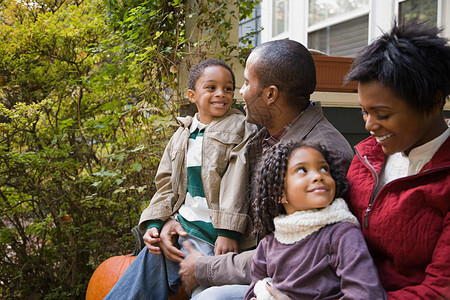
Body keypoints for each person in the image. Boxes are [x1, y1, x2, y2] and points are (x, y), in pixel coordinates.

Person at [176, 40, 355, 299]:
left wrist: (205, 268)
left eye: (247, 83)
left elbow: (289, 252)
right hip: (255, 263)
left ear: (270, 95)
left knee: (208, 297)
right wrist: (169, 220)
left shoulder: (321, 156)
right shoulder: (262, 140)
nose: (241, 93)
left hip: (297, 284)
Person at [104, 58, 258, 299]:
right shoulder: (181, 136)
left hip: (217, 237)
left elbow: (237, 182)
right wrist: (156, 223)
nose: (221, 94)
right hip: (185, 230)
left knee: (205, 292)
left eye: (228, 88)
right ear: (191, 95)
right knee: (147, 263)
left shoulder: (241, 128)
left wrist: (229, 231)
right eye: (211, 87)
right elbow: (166, 185)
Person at [343, 22, 450, 299]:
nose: (369, 125)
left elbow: (439, 291)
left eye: (383, 114)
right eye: (364, 112)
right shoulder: (366, 156)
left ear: (433, 102)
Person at [243, 142, 386, 300]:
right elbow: (254, 289)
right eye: (302, 170)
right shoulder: (269, 244)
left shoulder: (342, 234)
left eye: (324, 168)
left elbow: (365, 295)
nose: (319, 176)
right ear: (278, 193)